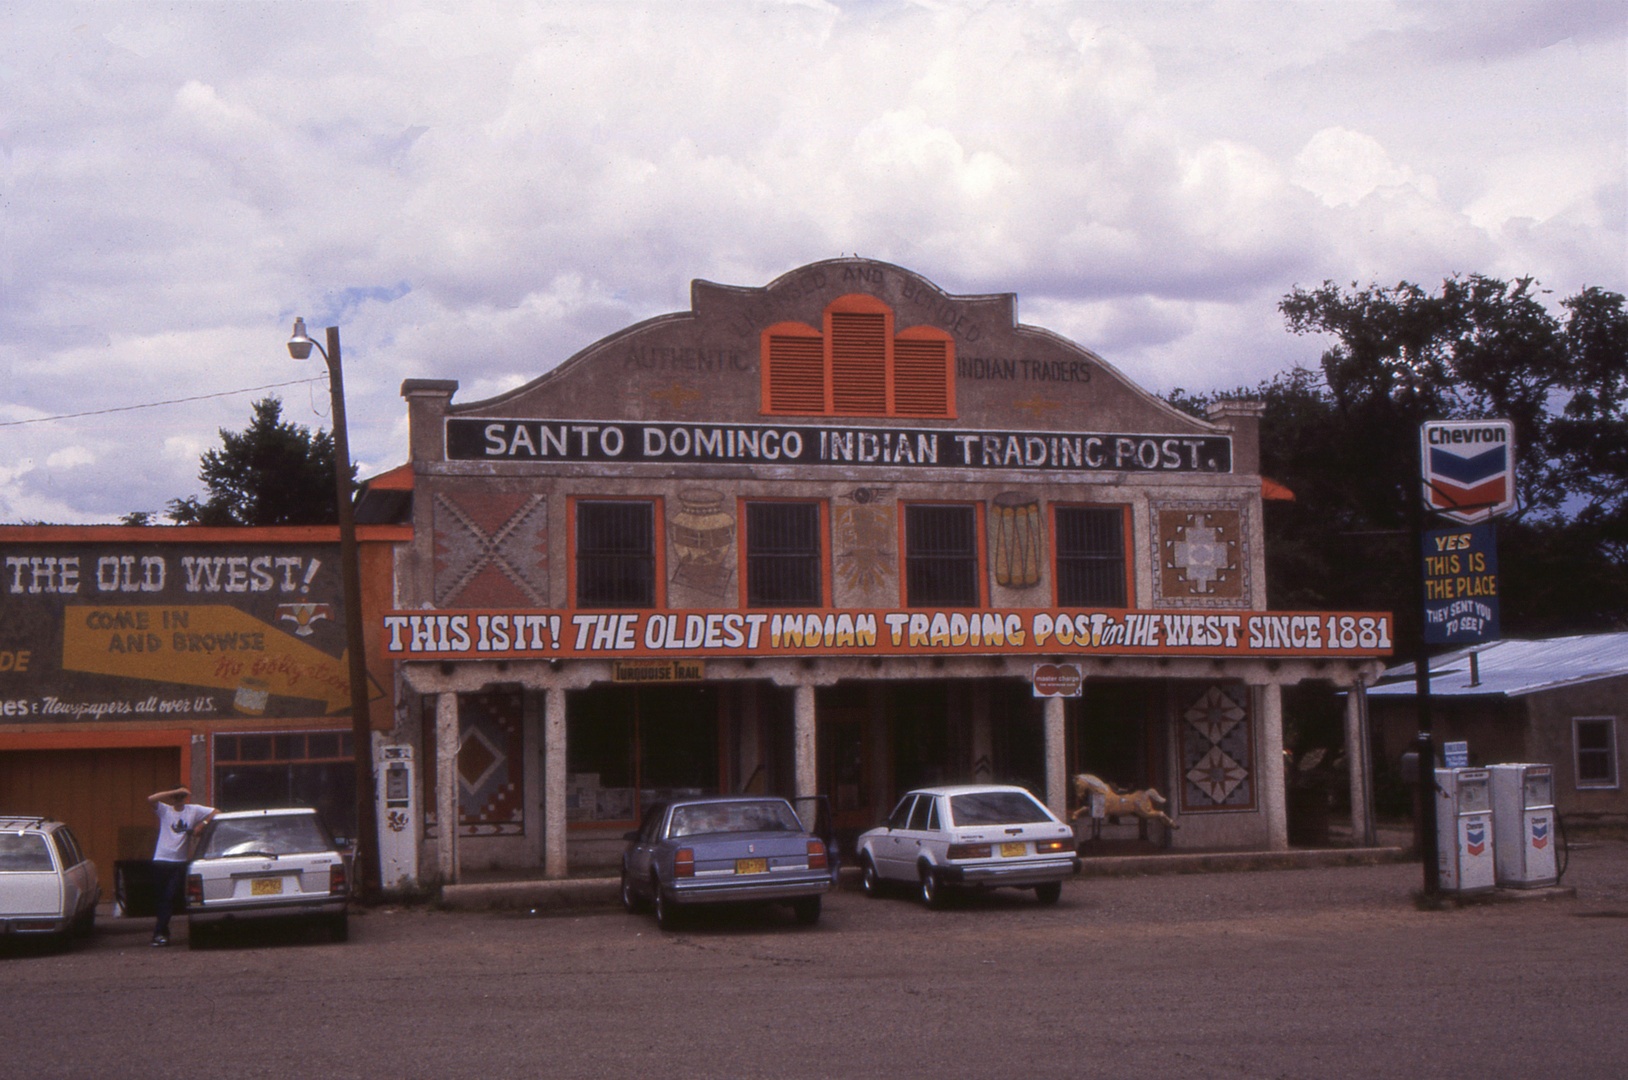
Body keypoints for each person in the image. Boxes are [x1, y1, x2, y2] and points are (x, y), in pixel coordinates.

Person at [146, 786, 216, 946]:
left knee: (169, 897)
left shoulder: (193, 810)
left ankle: (159, 932)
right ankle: (162, 931)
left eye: (182, 797)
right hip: (161, 860)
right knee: (161, 898)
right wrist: (173, 792)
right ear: (171, 798)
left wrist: (202, 824)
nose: (179, 800)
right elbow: (151, 799)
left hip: (179, 862)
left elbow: (216, 811)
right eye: (176, 797)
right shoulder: (165, 810)